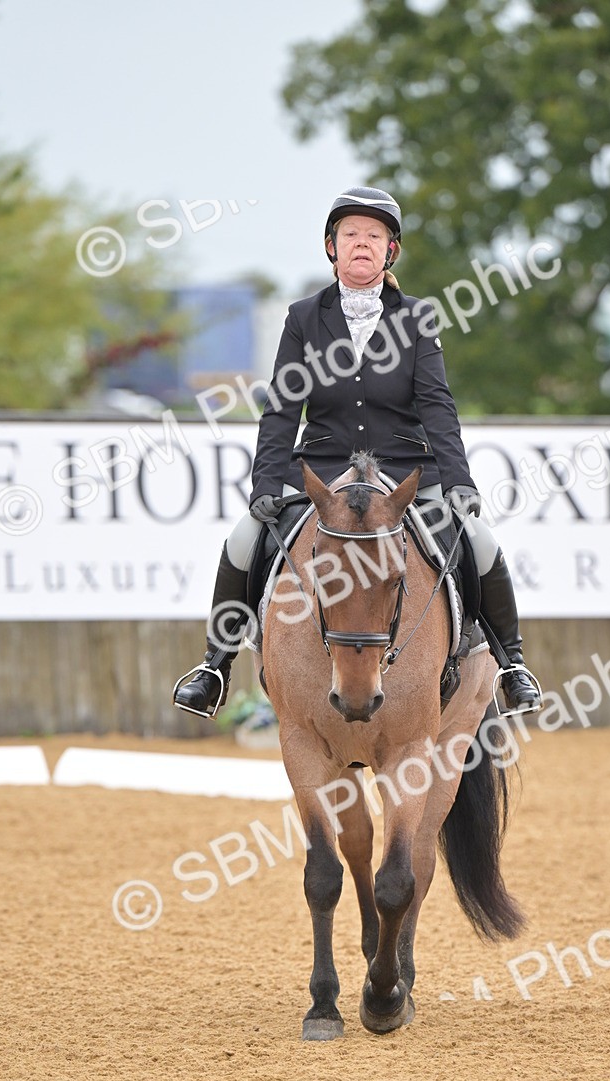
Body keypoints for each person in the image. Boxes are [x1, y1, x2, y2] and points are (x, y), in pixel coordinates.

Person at [173, 186, 542, 720]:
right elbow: (281, 406)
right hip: (323, 471)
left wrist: (459, 481)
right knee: (243, 538)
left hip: (401, 470)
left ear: (390, 250)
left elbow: (437, 404)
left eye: (373, 235)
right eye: (350, 235)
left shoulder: (417, 317)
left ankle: (512, 665)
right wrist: (265, 485)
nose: (361, 243)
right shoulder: (303, 317)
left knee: (479, 541)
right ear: (332, 247)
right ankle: (214, 667)